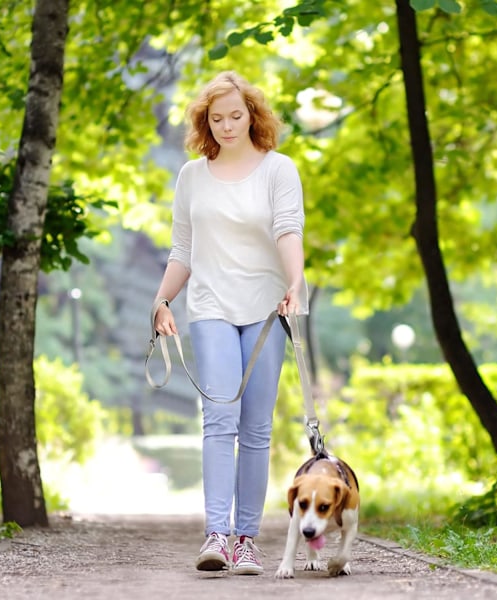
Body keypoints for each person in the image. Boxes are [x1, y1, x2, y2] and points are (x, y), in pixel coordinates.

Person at [152, 70, 308, 575]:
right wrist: (161, 300)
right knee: (219, 420)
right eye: (215, 118)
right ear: (205, 121)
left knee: (256, 428)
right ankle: (215, 536)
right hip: (211, 307)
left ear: (253, 115)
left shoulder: (278, 170)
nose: (226, 125)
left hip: (266, 310)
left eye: (235, 115)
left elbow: (287, 229)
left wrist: (295, 281)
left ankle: (247, 539)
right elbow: (184, 249)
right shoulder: (191, 176)